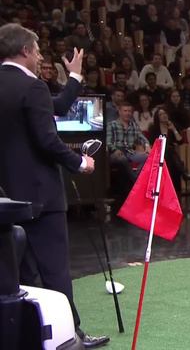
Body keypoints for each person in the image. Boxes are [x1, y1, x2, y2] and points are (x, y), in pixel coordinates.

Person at [0, 23, 109, 348]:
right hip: (42, 197)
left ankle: (28, 335)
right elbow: (48, 140)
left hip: (8, 199)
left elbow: (57, 107)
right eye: (37, 51)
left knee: (21, 273)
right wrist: (80, 163)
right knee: (55, 271)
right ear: (25, 51)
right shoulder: (30, 86)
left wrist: (74, 77)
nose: (39, 57)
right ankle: (69, 335)